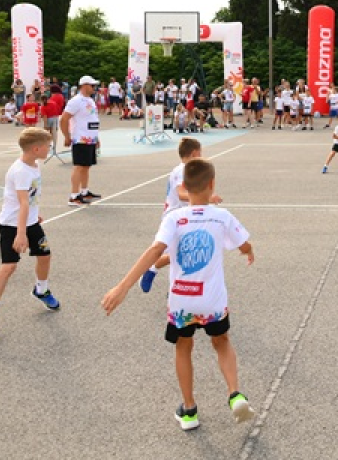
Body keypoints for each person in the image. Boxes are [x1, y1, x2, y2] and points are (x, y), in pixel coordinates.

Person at [101, 159, 257, 430]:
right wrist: (249, 251)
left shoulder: (173, 218)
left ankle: (189, 409)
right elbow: (243, 244)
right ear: (212, 185)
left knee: (183, 347)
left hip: (182, 301)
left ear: (184, 186)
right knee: (221, 341)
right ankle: (234, 393)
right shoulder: (222, 216)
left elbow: (155, 250)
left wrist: (123, 286)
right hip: (212, 301)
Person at [0, 129, 58, 340]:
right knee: (9, 267)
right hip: (12, 226)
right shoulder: (21, 171)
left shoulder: (34, 165)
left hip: (29, 221)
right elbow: (22, 203)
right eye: (48, 146)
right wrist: (21, 234)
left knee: (45, 256)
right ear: (36, 149)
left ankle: (41, 290)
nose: (50, 149)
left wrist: (35, 215)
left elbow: (30, 199)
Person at [140, 138, 223, 292]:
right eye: (200, 153)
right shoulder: (182, 170)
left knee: (185, 253)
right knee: (179, 253)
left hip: (187, 216)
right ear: (194, 153)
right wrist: (207, 198)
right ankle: (154, 271)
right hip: (176, 217)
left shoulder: (184, 169)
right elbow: (181, 194)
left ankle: (155, 271)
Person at [61, 76, 103, 207]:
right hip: (80, 138)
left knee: (86, 165)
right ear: (84, 85)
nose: (94, 88)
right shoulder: (76, 101)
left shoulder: (90, 100)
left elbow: (92, 119)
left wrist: (96, 138)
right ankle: (74, 195)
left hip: (90, 138)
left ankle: (84, 191)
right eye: (92, 85)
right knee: (79, 166)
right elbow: (64, 119)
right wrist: (67, 136)